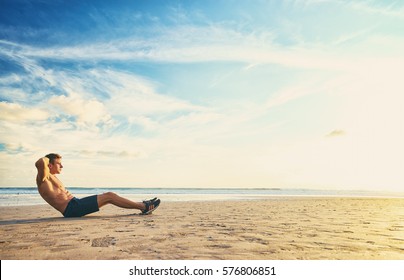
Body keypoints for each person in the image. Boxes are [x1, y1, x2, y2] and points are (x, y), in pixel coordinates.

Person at [35, 153, 160, 218]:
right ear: (50, 165)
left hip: (74, 204)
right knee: (109, 196)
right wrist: (48, 158)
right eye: (59, 163)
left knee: (109, 198)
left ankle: (143, 206)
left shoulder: (51, 177)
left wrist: (52, 160)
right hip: (72, 208)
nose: (62, 166)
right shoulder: (43, 177)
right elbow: (40, 162)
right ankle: (144, 207)